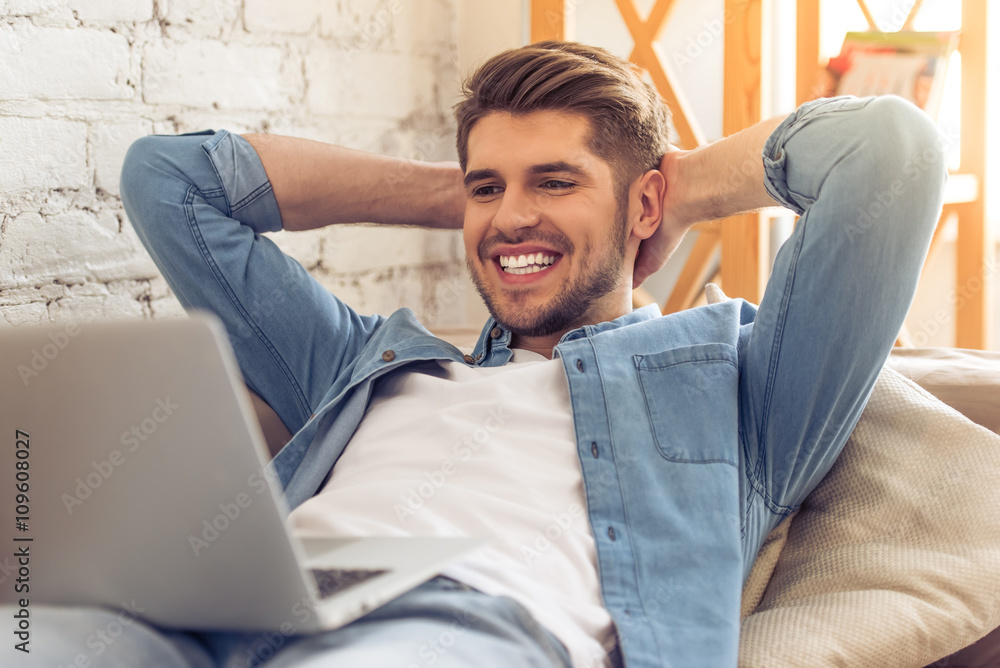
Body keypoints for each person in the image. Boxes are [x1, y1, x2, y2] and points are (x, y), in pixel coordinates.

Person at [29, 40, 946, 667]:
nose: (510, 216)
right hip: (215, 613)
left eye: (557, 180)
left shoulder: (730, 391)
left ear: (642, 205)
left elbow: (889, 153)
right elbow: (170, 178)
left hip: (454, 626)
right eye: (487, 187)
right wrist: (459, 198)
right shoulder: (361, 363)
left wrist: (680, 187)